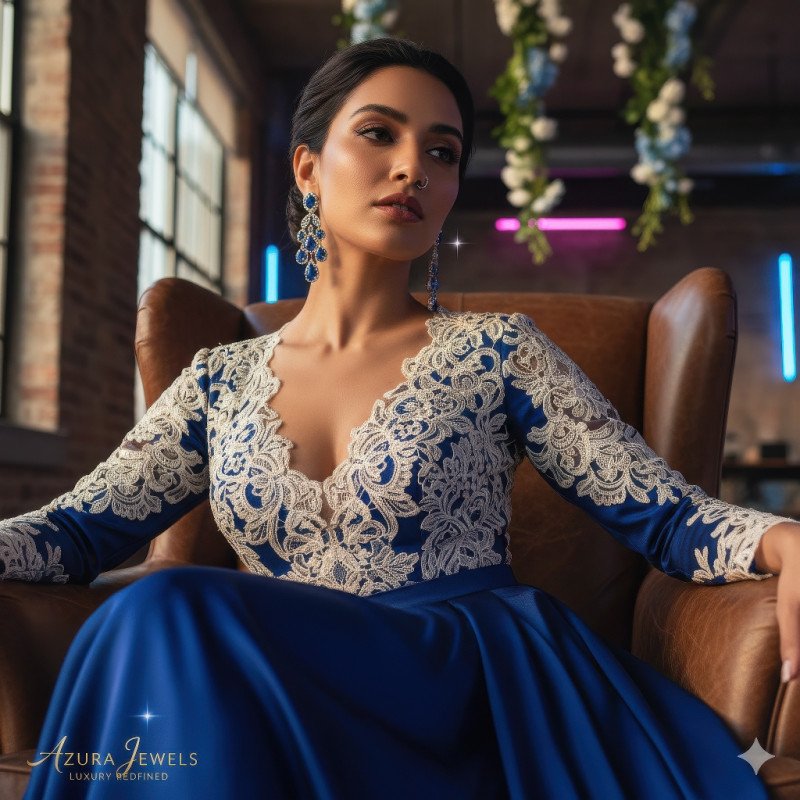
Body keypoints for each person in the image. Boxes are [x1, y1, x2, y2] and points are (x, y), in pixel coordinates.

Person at [2, 37, 799, 800]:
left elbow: (666, 515)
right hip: (282, 685)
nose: (414, 167)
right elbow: (75, 532)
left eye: (442, 152)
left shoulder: (498, 352)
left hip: (450, 683)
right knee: (168, 624)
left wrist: (782, 539)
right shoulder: (218, 380)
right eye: (380, 134)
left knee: (168, 608)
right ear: (308, 169)